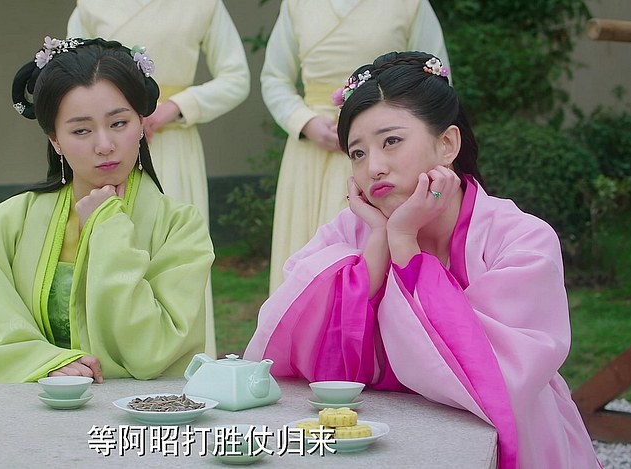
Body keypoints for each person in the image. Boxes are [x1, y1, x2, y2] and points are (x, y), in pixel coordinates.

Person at [245, 51, 599, 468]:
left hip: (517, 434)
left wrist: (404, 242)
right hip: (375, 441)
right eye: (357, 153)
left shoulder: (521, 239)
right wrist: (377, 247)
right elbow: (304, 348)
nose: (374, 167)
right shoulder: (350, 231)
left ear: (447, 143)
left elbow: (489, 375)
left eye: (391, 141)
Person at [0, 37, 214, 407]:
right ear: (55, 140)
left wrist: (108, 229)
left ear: (142, 124)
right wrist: (46, 363)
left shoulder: (180, 228)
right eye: (81, 130)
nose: (104, 144)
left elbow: (153, 350)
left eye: (119, 123)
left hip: (130, 415)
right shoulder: (5, 224)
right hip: (19, 404)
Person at [67, 0, 250, 357]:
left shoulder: (203, 5)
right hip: (106, 142)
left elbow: (236, 77)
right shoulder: (90, 6)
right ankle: (98, 347)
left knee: (172, 241)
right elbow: (70, 76)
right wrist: (116, 121)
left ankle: (181, 349)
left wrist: (175, 108)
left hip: (172, 142)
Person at [264, 0, 451, 294]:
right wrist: (304, 121)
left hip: (390, 148)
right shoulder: (296, 5)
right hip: (312, 148)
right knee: (309, 249)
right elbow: (274, 77)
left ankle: (397, 303)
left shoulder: (410, 4)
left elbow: (437, 78)